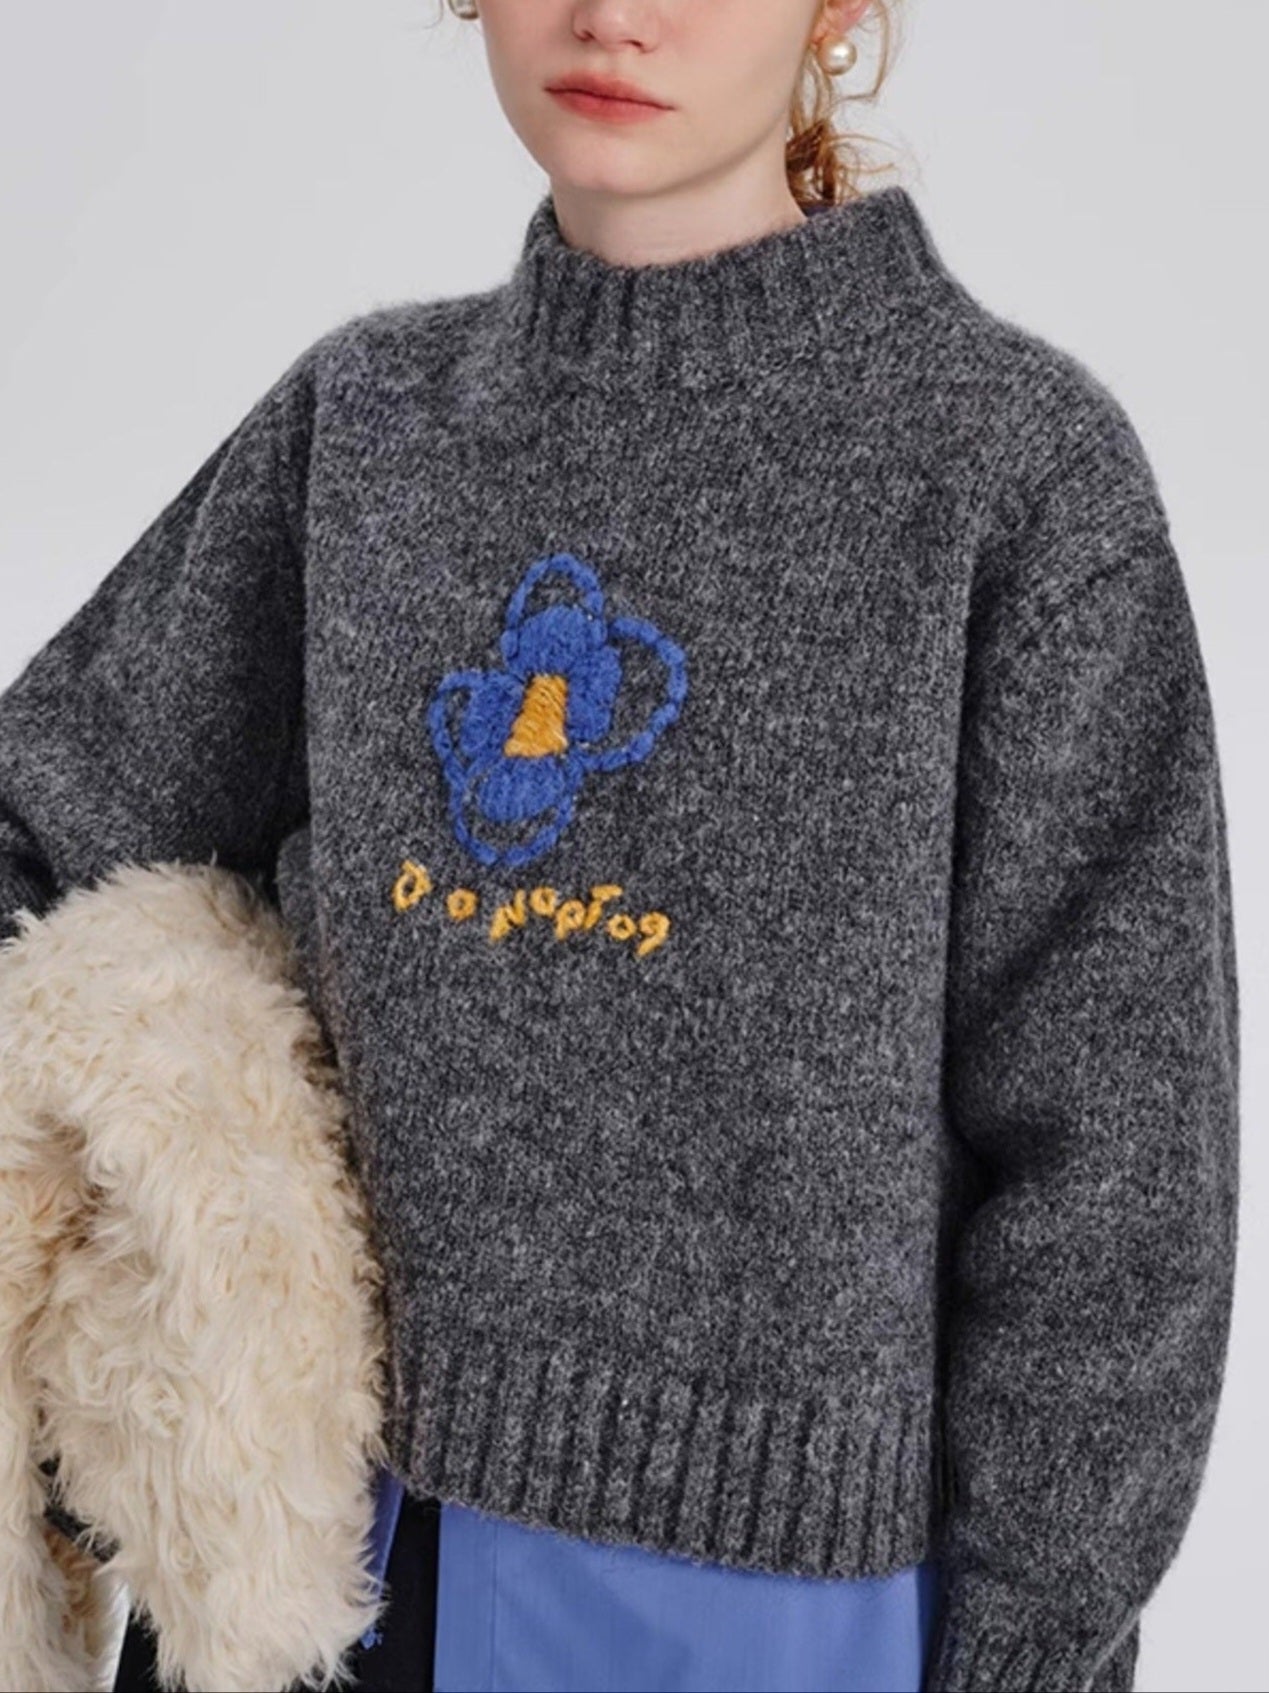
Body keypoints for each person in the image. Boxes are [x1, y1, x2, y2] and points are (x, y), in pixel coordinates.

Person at [8, 2, 1238, 1691]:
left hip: (774, 1609)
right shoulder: (365, 424)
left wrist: (1031, 1644)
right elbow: (43, 813)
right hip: (304, 1567)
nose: (610, 12)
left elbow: (1120, 1168)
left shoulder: (1006, 477)